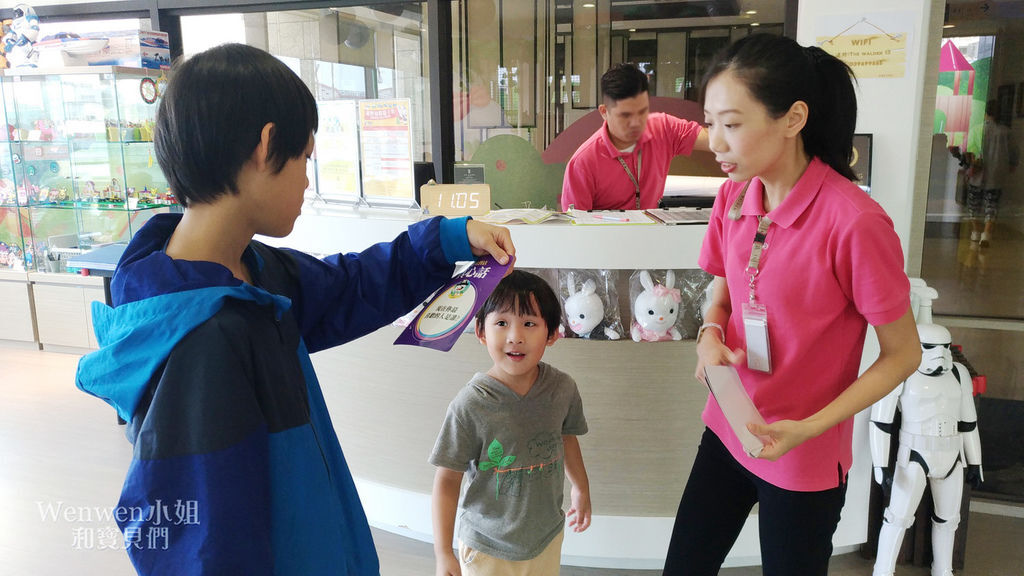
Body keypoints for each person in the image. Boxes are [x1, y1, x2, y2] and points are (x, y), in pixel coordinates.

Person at [74, 43, 515, 575]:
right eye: (305, 157)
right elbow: (200, 547)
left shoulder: (250, 275)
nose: (307, 179)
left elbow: (346, 286)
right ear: (266, 146)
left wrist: (446, 240)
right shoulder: (205, 339)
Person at [662, 33, 921, 576]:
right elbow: (725, 285)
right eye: (711, 123)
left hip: (804, 453)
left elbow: (903, 354)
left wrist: (810, 428)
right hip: (729, 426)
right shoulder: (735, 196)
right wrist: (711, 331)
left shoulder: (854, 223)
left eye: (732, 124)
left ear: (793, 118)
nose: (715, 143)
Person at [430, 270, 591, 576]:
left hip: (546, 536)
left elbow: (567, 438)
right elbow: (447, 480)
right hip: (486, 546)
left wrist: (581, 488)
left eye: (530, 324)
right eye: (502, 323)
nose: (515, 336)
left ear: (552, 333)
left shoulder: (563, 388)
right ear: (481, 332)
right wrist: (442, 552)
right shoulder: (470, 404)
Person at [869, 323, 983, 576]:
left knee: (949, 520)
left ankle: (943, 569)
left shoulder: (959, 373)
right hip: (914, 455)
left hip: (952, 455)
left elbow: (968, 422)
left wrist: (975, 462)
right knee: (898, 518)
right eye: (930, 347)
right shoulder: (900, 369)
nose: (939, 353)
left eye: (945, 347)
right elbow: (881, 422)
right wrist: (880, 467)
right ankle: (882, 571)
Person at [560, 63, 709, 211]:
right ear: (604, 112)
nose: (636, 124)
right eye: (625, 115)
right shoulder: (583, 163)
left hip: (651, 230)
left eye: (642, 112)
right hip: (606, 233)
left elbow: (714, 140)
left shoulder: (663, 128)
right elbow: (575, 228)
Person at [965, 99, 1018, 247]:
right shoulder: (1006, 132)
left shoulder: (976, 130)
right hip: (996, 175)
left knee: (973, 205)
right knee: (992, 205)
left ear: (985, 112)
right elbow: (1014, 152)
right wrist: (1012, 164)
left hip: (977, 175)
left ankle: (975, 232)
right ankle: (986, 235)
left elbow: (970, 151)